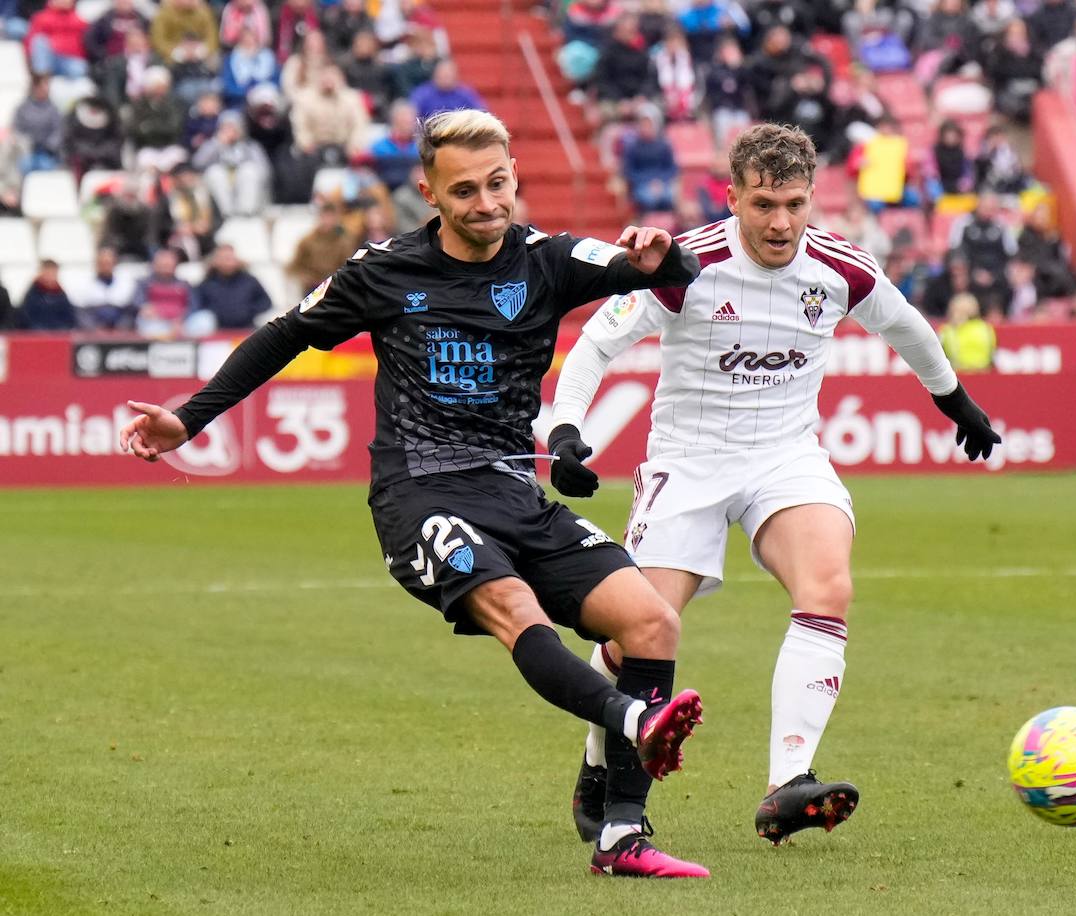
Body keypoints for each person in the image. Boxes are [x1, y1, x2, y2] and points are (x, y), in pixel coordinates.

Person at [119, 109, 710, 879]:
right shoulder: (382, 271)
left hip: (512, 488)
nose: (487, 203)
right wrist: (187, 419)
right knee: (515, 611)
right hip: (420, 494)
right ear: (429, 191)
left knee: (651, 622)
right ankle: (634, 718)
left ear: (514, 176)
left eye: (498, 183)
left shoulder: (549, 258)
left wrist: (661, 255)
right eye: (464, 190)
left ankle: (621, 835)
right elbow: (284, 333)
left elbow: (669, 274)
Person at [548, 123, 1001, 847]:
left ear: (813, 197)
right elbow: (599, 339)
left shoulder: (838, 268)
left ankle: (787, 783)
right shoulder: (685, 264)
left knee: (828, 587)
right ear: (732, 198)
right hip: (688, 461)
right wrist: (566, 430)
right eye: (763, 204)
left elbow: (908, 326)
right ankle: (600, 756)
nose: (781, 222)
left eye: (794, 202)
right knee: (641, 633)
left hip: (784, 457)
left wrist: (954, 401)